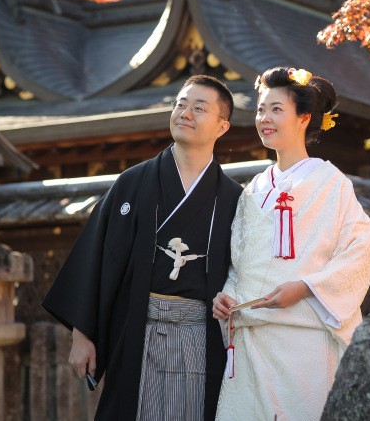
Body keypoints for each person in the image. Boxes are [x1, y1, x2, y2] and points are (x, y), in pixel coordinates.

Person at [42, 75, 244, 421]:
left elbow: (244, 272)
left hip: (201, 334)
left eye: (199, 108)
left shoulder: (233, 198)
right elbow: (97, 258)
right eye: (180, 104)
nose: (185, 113)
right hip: (138, 329)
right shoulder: (133, 182)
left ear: (222, 126)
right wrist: (81, 335)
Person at [212, 67, 370, 420]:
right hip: (251, 338)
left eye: (276, 109)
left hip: (304, 339)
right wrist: (227, 294)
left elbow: (360, 246)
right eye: (260, 109)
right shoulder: (253, 190)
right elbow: (239, 263)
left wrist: (305, 287)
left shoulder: (331, 182)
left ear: (304, 117)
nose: (264, 118)